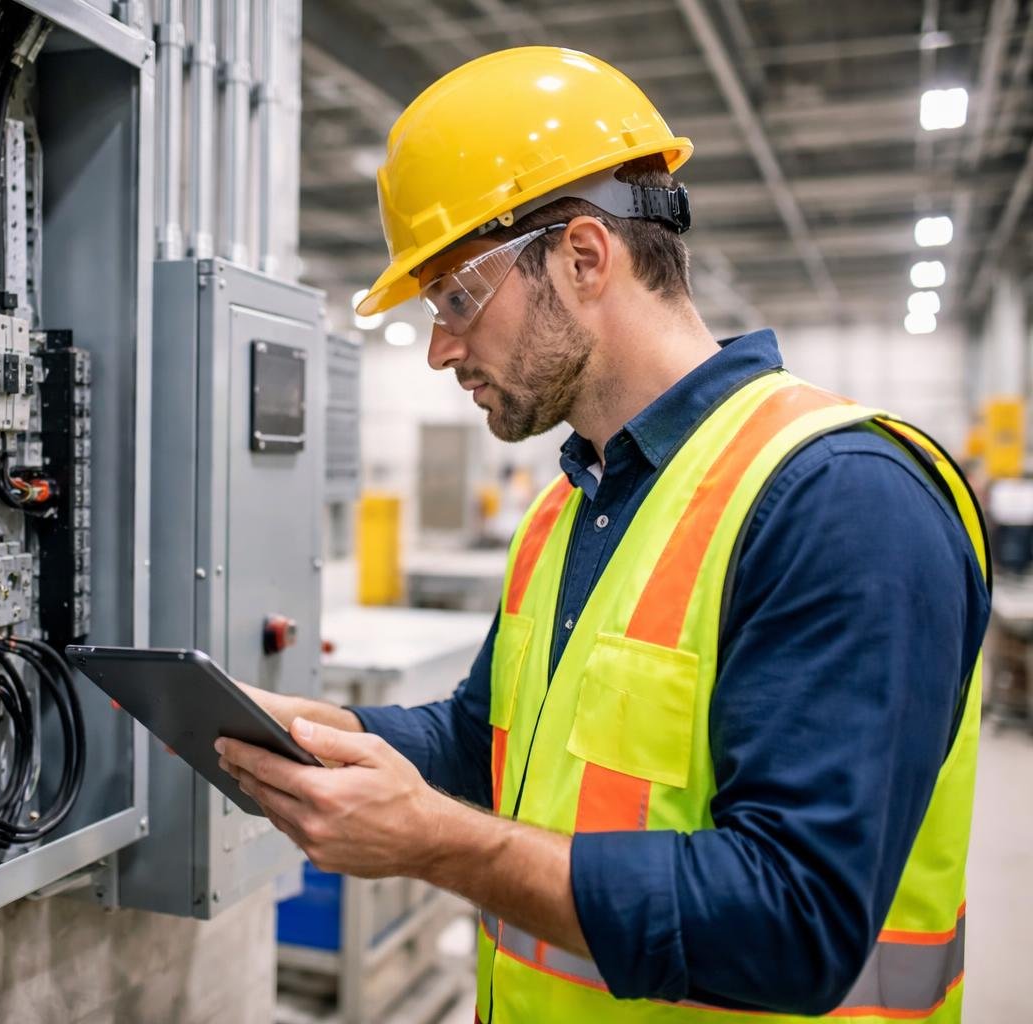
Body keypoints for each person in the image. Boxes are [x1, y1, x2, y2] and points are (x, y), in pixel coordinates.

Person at [218, 47, 988, 1022]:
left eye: (457, 296)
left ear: (585, 257)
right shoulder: (572, 506)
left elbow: (796, 923)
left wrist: (441, 843)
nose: (442, 346)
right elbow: (478, 740)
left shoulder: (841, 499)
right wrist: (309, 732)